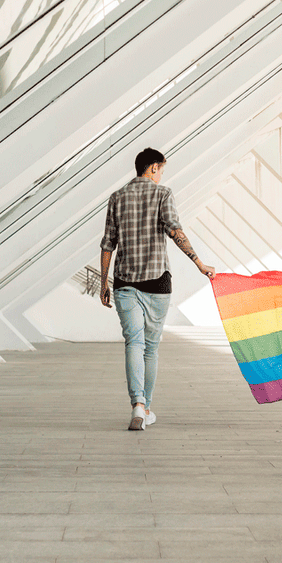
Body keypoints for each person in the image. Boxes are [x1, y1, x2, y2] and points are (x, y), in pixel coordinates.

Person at [99, 147, 214, 431]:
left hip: (125, 282)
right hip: (157, 282)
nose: (161, 175)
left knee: (133, 343)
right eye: (161, 169)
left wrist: (104, 282)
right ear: (152, 168)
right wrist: (199, 263)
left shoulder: (117, 197)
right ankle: (146, 407)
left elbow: (107, 244)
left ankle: (137, 403)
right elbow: (175, 231)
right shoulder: (162, 194)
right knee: (150, 347)